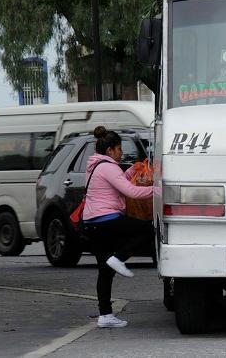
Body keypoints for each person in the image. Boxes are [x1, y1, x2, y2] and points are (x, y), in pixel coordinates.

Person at [82, 126, 154, 328]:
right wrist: (157, 190)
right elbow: (131, 191)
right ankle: (119, 258)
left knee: (104, 272)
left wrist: (133, 169)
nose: (121, 153)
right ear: (110, 151)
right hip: (107, 220)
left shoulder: (95, 165)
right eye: (119, 149)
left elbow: (117, 181)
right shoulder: (108, 167)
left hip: (92, 224)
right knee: (148, 229)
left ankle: (105, 315)